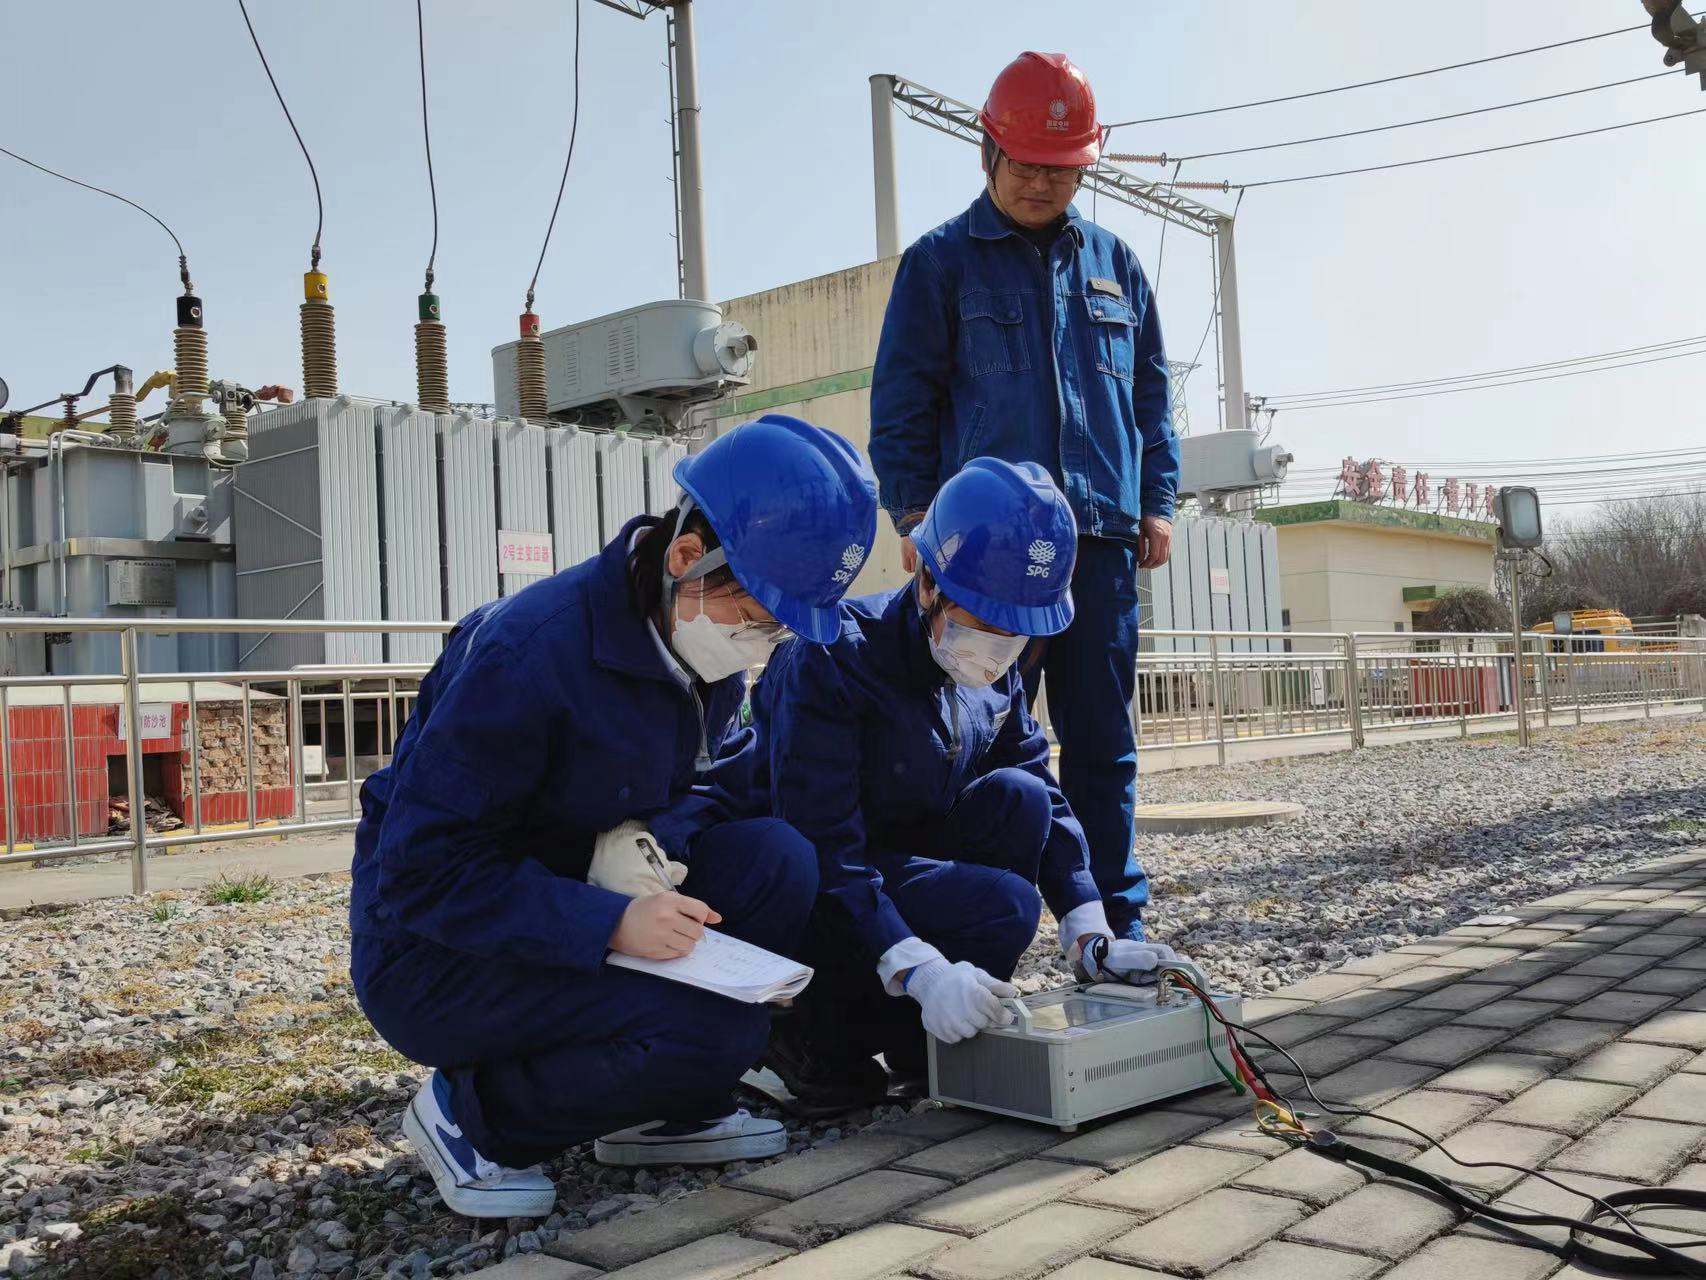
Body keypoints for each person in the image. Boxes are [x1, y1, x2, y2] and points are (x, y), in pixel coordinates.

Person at [348, 414, 878, 1217]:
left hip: (571, 890)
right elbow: (422, 873)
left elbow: (713, 781)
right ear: (688, 558)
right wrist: (606, 922)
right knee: (719, 1038)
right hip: (437, 953)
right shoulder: (527, 657)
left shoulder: (700, 645)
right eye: (761, 615)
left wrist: (649, 839)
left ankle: (658, 1109)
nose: (763, 643)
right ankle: (473, 1116)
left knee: (776, 856)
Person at [723, 458, 1181, 1108]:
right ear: (928, 579)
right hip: (821, 891)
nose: (999, 645)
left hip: (904, 869)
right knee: (1002, 903)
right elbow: (822, 846)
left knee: (1019, 802)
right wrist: (916, 966)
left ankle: (924, 1043)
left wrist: (1089, 927)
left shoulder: (995, 671)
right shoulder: (830, 659)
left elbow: (1034, 778)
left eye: (1017, 630)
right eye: (986, 620)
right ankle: (802, 1034)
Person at [868, 52, 1180, 944]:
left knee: (1103, 747)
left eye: (1064, 168)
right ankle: (977, 923)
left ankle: (1115, 930)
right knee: (965, 740)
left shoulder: (1116, 264)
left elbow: (1151, 396)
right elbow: (903, 403)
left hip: (1101, 548)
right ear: (987, 154)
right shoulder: (939, 266)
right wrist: (917, 518)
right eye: (1028, 165)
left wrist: (1155, 499)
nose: (1045, 183)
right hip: (985, 558)